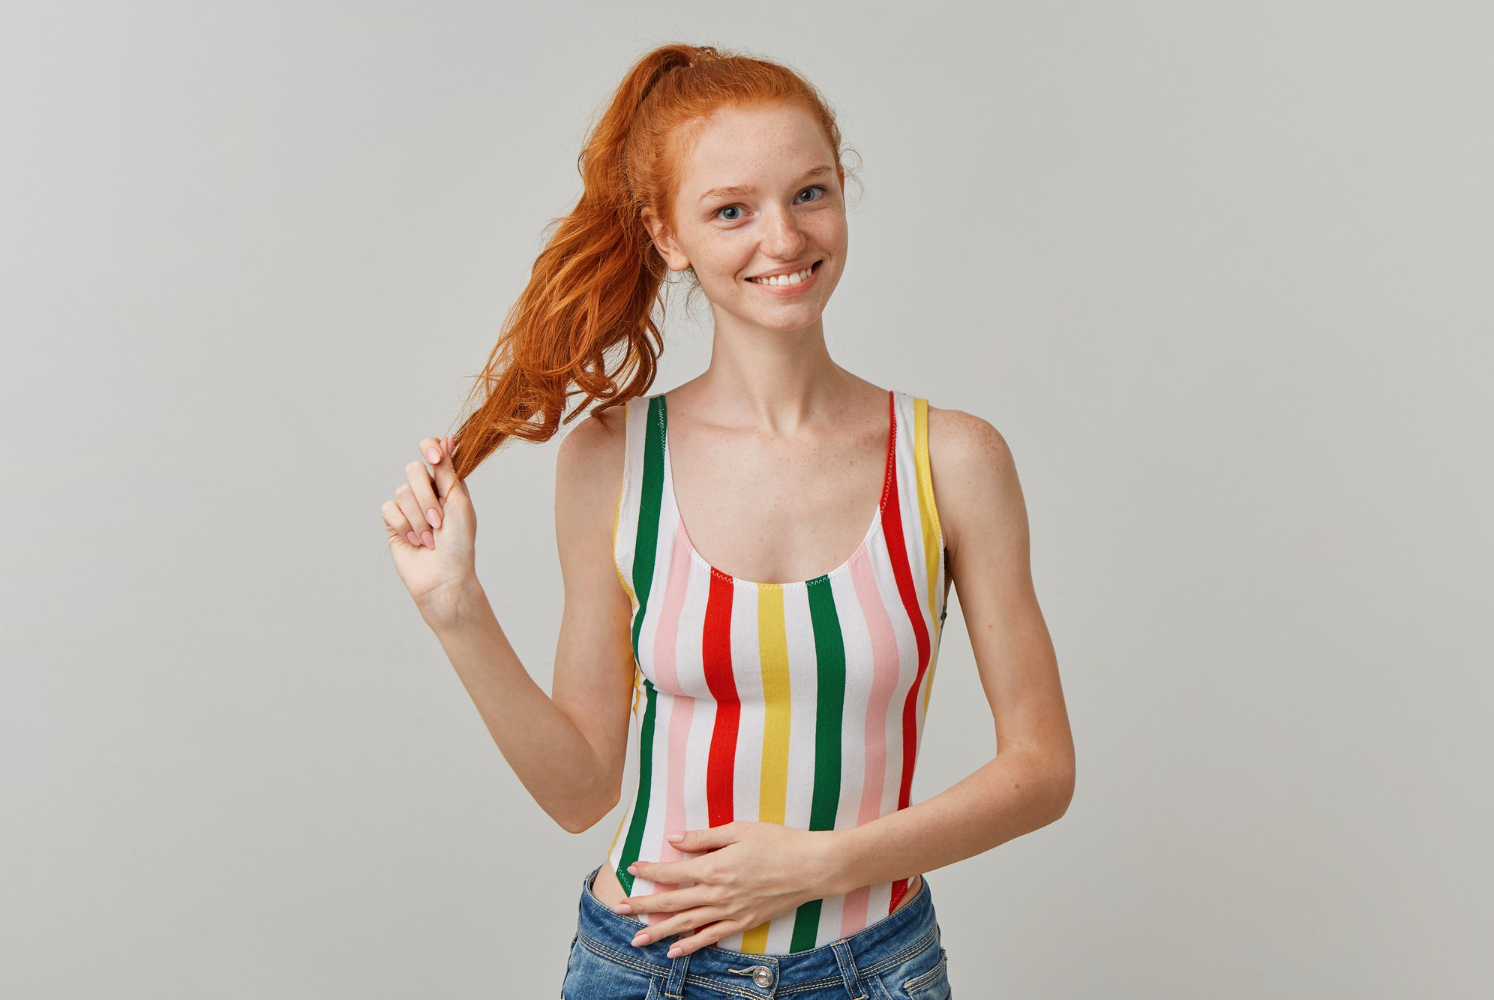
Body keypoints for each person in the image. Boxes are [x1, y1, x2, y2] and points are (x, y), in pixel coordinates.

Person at [379, 42, 1073, 999]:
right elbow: (580, 789)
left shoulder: (951, 459)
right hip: (642, 971)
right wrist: (455, 608)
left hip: (872, 972)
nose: (783, 240)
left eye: (811, 193)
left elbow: (1041, 769)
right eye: (732, 210)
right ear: (669, 236)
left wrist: (824, 863)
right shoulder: (612, 461)